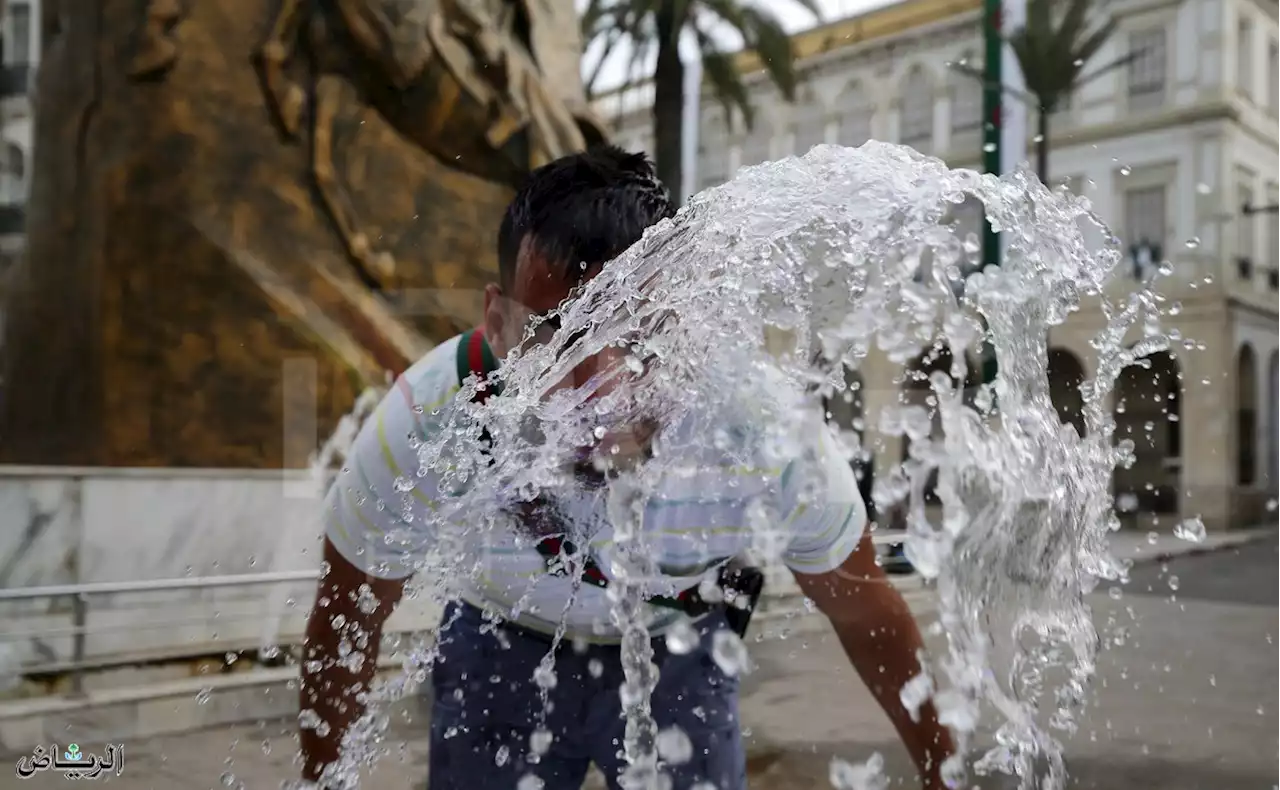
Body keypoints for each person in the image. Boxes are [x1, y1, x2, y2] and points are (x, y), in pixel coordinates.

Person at [298, 146, 956, 790]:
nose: (600, 391)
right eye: (556, 334)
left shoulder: (758, 427)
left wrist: (943, 775)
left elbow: (867, 613)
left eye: (639, 338)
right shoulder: (435, 415)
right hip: (496, 640)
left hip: (677, 644)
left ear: (685, 324)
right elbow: (345, 623)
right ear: (497, 323)